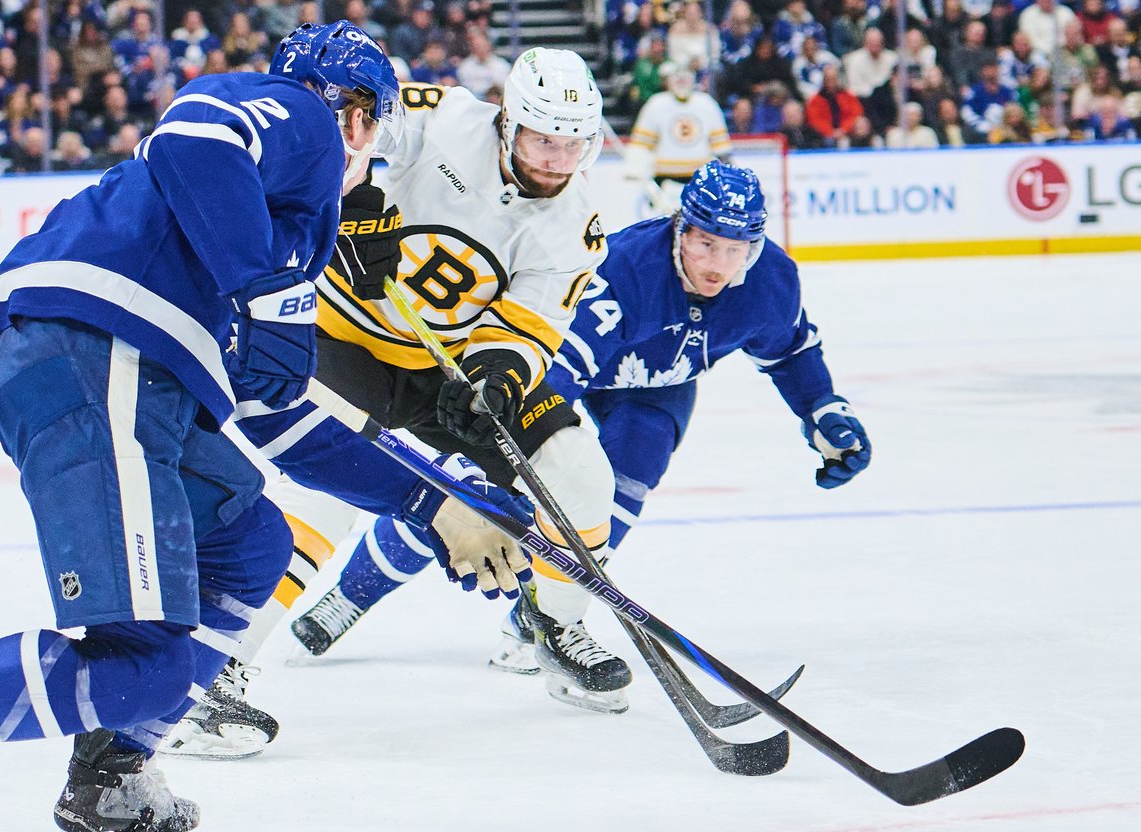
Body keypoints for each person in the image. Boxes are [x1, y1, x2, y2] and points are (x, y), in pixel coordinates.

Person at [0, 21, 532, 832]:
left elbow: (281, 421)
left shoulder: (283, 234)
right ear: (339, 109)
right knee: (148, 664)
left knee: (253, 547)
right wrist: (266, 283)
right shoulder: (298, 125)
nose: (359, 145)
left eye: (367, 128)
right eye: (358, 120)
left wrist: (433, 500)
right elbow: (196, 129)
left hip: (134, 379)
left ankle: (111, 778)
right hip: (101, 349)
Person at [165, 47, 631, 747]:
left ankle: (553, 621)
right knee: (323, 490)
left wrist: (497, 378)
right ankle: (212, 671)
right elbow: (346, 135)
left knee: (579, 471)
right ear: (507, 122)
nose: (556, 158)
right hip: (342, 337)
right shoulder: (441, 114)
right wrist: (350, 204)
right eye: (541, 137)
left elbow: (531, 319)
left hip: (450, 368)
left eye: (573, 142)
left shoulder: (581, 221)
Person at [317, 163, 871, 682]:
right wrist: (516, 453)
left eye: (735, 249)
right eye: (705, 243)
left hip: (657, 389)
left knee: (618, 493)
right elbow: (556, 372)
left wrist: (823, 409)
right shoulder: (627, 272)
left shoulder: (770, 281)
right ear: (681, 228)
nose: (717, 265)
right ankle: (353, 593)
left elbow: (791, 351)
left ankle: (543, 616)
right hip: (557, 373)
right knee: (481, 488)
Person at [625, 59, 732, 213]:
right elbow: (642, 144)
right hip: (664, 180)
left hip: (700, 180)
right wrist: (634, 169)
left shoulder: (707, 104)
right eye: (677, 77)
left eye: (685, 77)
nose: (681, 81)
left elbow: (722, 149)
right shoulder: (656, 104)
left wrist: (726, 177)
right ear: (667, 80)